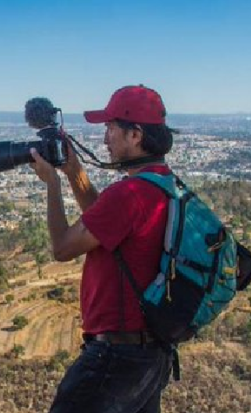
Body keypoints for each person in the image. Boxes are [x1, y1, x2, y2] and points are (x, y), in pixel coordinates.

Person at [30, 85, 177, 413]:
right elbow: (104, 223)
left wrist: (52, 185)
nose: (105, 138)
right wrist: (73, 173)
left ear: (135, 135)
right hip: (150, 356)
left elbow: (63, 247)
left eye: (111, 128)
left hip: (115, 357)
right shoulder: (163, 184)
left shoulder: (130, 195)